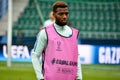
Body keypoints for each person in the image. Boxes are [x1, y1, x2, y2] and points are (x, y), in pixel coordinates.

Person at [32, 1, 82, 80]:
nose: (64, 16)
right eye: (61, 14)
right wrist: (40, 77)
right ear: (54, 15)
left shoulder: (74, 33)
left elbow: (76, 56)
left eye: (66, 13)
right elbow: (35, 55)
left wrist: (79, 77)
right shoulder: (45, 32)